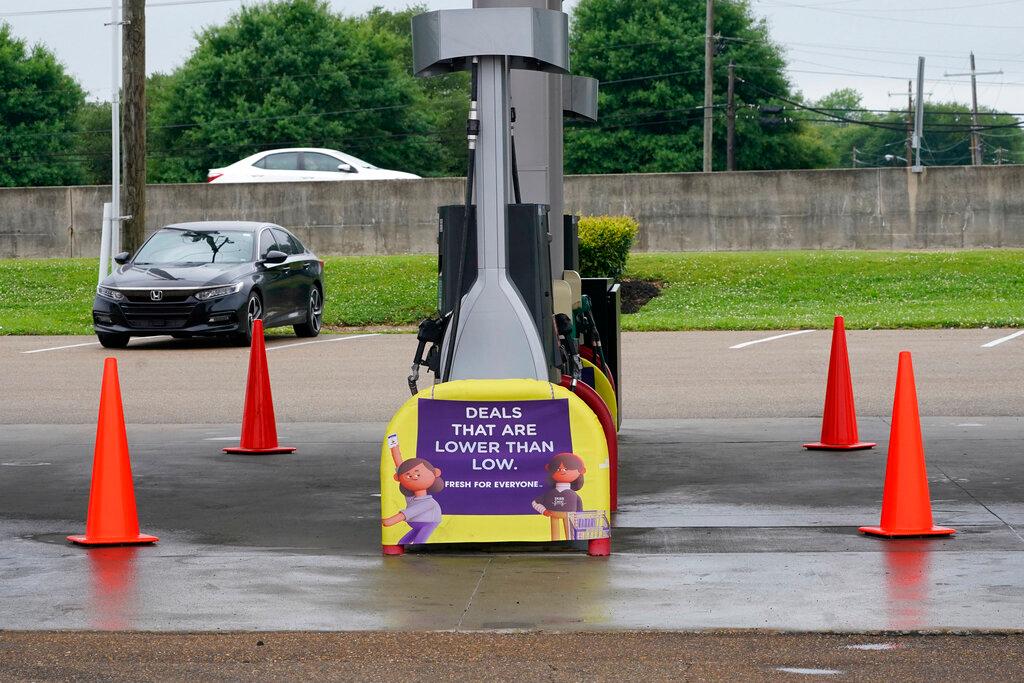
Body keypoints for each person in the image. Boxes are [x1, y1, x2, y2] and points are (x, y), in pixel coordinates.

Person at [382, 434, 444, 545]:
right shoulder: (410, 497)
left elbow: (412, 511)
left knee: (419, 541)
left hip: (429, 522)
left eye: (417, 473)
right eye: (408, 475)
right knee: (405, 540)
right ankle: (398, 546)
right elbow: (400, 467)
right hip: (416, 522)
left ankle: (417, 550)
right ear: (398, 479)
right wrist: (394, 445)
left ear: (435, 473)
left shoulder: (429, 503)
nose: (413, 477)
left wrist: (392, 520)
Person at [532, 452, 586, 541]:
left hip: (569, 515)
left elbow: (579, 508)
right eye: (558, 468)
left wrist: (579, 518)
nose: (562, 471)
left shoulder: (573, 494)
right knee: (555, 534)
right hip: (553, 513)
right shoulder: (550, 493)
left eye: (566, 468)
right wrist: (543, 511)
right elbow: (535, 502)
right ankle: (555, 543)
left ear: (580, 471)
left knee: (570, 532)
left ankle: (571, 542)